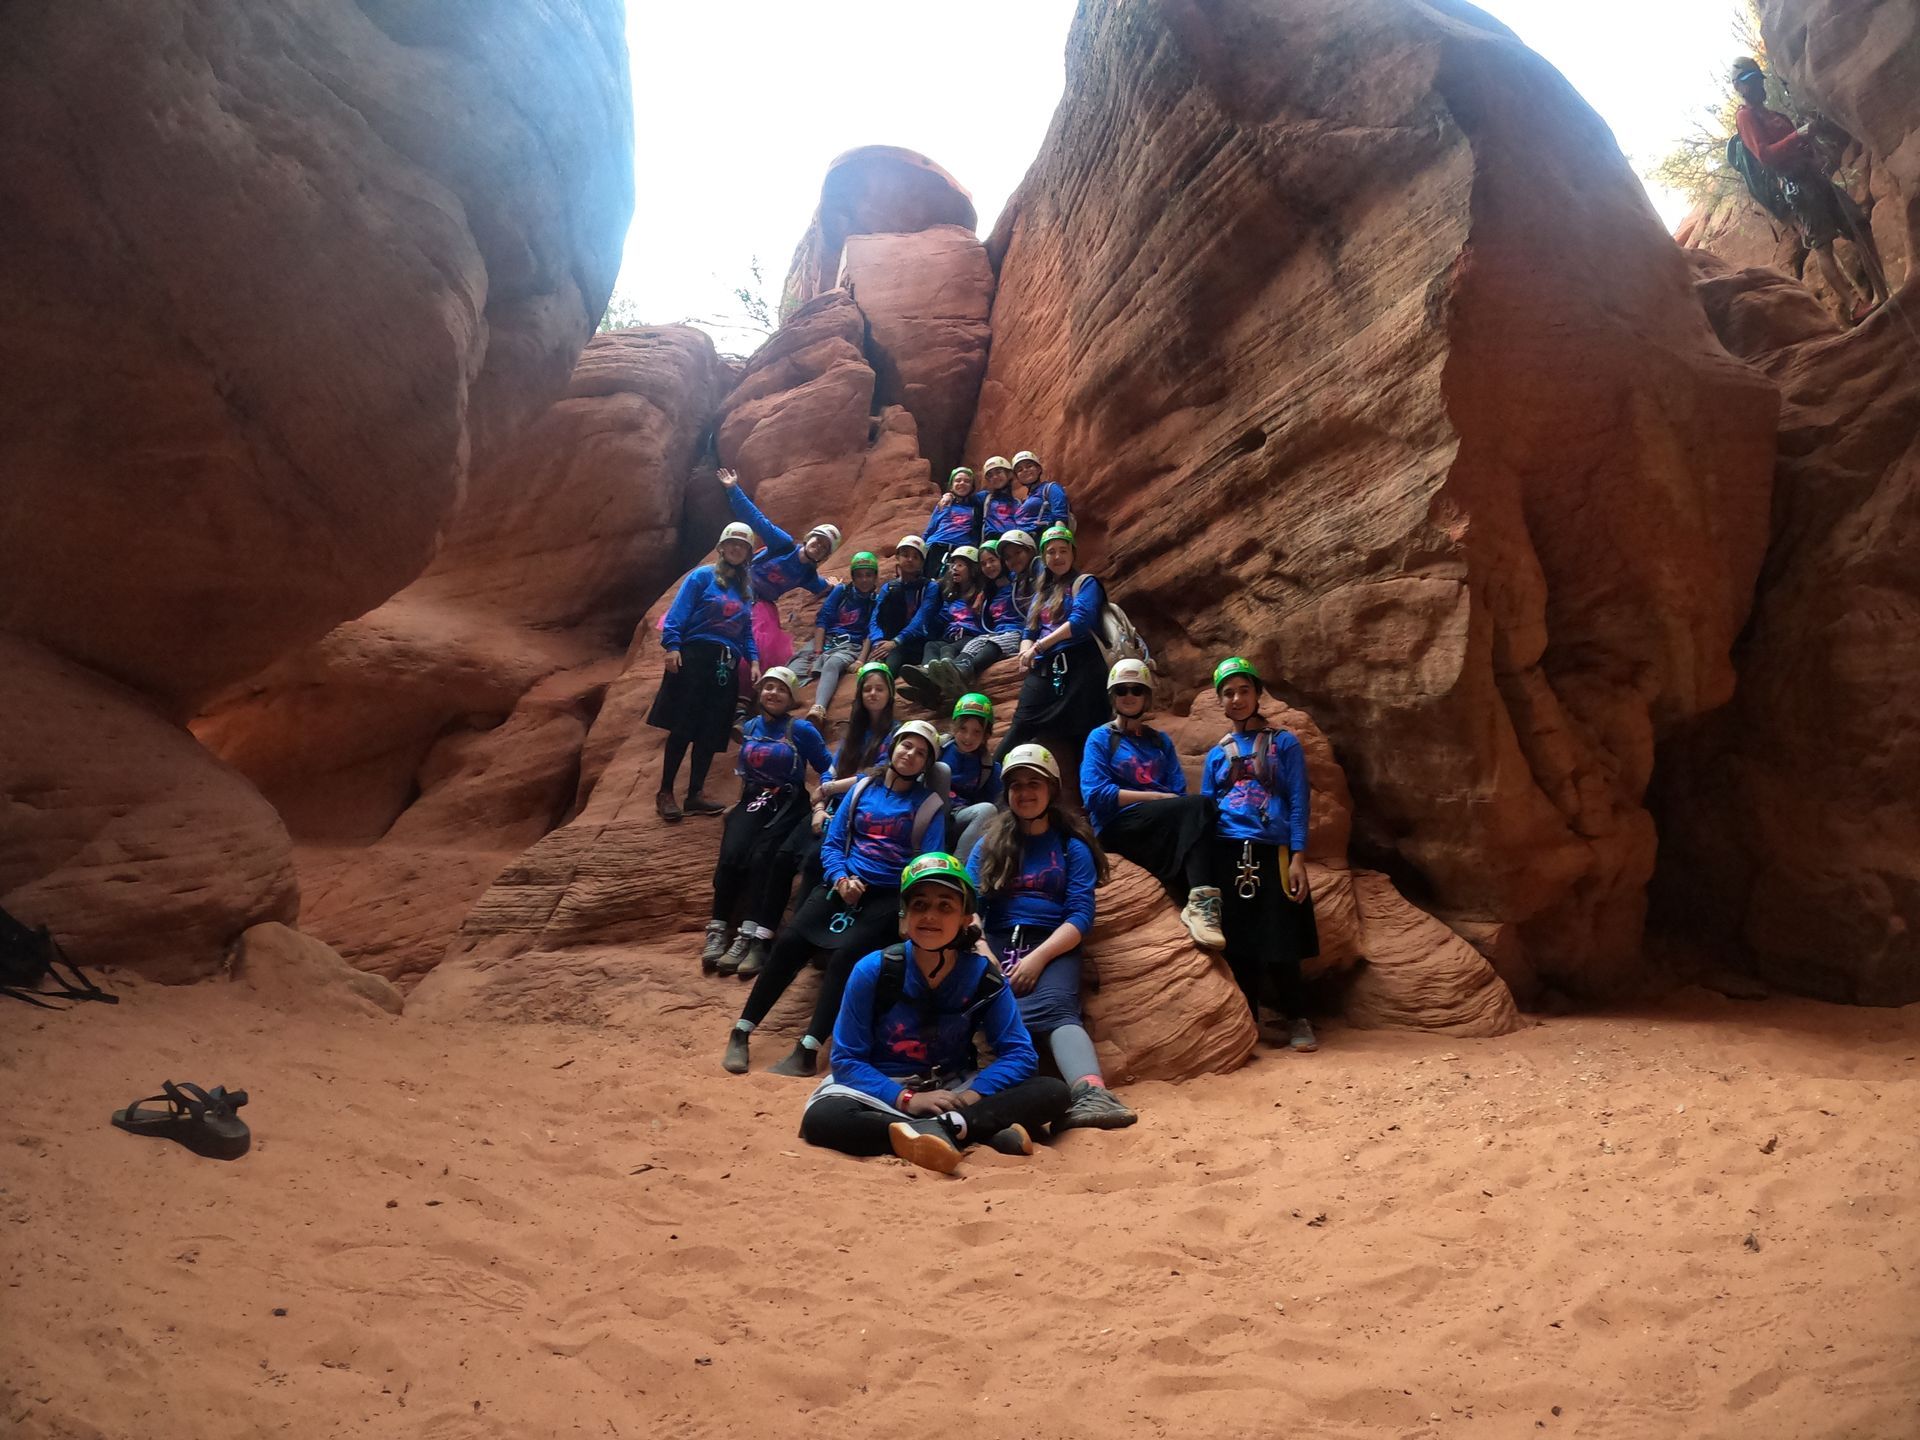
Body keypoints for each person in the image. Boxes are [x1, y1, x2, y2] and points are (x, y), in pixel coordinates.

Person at [798, 853, 1072, 1173]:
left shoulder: (984, 979)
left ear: (966, 918)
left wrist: (970, 1096)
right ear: (904, 915)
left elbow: (1020, 1055)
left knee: (1053, 1092)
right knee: (823, 1118)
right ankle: (968, 1131)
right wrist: (907, 1100)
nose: (930, 916)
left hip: (953, 1090)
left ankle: (938, 1129)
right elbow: (846, 1060)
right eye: (919, 905)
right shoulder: (873, 970)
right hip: (884, 1090)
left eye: (945, 906)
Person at [725, 721, 948, 1078]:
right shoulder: (862, 789)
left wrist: (908, 907)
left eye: (921, 752)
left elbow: (926, 863)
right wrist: (841, 878)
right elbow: (833, 842)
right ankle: (742, 1029)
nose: (911, 755)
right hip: (844, 882)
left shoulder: (929, 805)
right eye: (907, 746)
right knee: (791, 942)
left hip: (890, 894)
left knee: (847, 956)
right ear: (893, 748)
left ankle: (808, 1048)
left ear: (927, 764)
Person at [966, 744, 1135, 1130]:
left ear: (1052, 789)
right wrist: (981, 949)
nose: (1025, 792)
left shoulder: (1069, 847)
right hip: (994, 942)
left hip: (1054, 944)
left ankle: (1091, 1093)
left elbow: (1080, 915)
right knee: (984, 1012)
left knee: (1058, 1008)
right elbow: (967, 905)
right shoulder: (989, 844)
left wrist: (1038, 958)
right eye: (1016, 785)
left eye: (1034, 783)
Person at [732, 659, 901, 974]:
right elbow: (831, 770)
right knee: (782, 857)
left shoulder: (895, 733)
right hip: (832, 807)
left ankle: (802, 941)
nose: (873, 694)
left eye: (880, 689)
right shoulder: (855, 731)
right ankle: (763, 937)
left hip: (859, 811)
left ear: (890, 693)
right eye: (868, 689)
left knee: (814, 861)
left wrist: (830, 791)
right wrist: (820, 806)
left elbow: (879, 774)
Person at [1202, 657, 1321, 1053]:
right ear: (1220, 700)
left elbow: (1298, 799)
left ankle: (1298, 1018)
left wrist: (1299, 855)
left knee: (1280, 934)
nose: (1236, 699)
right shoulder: (1217, 755)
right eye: (1228, 693)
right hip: (1229, 847)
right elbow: (1206, 805)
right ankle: (1248, 1020)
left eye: (1243, 690)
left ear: (1257, 693)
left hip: (1274, 849)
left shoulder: (1283, 743)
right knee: (1239, 940)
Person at [1080, 658, 1226, 951]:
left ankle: (1201, 908)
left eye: (1136, 690)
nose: (1129, 696)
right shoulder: (1101, 738)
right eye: (1122, 690)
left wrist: (1167, 801)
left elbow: (1177, 789)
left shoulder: (1160, 742)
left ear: (1146, 696)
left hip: (1159, 825)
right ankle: (1201, 904)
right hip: (1119, 826)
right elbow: (1095, 795)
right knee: (1198, 807)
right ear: (1113, 696)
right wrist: (1157, 798)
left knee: (1206, 822)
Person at [1731, 57, 1890, 323]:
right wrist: (1799, 135)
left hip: (1813, 177)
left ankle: (1882, 294)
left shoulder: (1775, 117)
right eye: (1750, 81)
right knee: (1822, 244)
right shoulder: (1745, 117)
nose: (1758, 84)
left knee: (1860, 224)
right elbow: (1765, 155)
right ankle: (1854, 304)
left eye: (1758, 78)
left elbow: (1798, 146)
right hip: (1797, 186)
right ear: (1739, 86)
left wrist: (1812, 147)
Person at [698, 667, 833, 976]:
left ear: (791, 698)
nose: (773, 693)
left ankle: (748, 936)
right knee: (731, 856)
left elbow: (827, 767)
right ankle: (718, 930)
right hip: (754, 800)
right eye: (769, 687)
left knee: (762, 859)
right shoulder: (750, 727)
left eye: (781, 689)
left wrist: (823, 798)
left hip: (788, 802)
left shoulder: (801, 730)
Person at [651, 520, 758, 821]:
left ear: (748, 553)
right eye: (733, 543)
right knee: (683, 725)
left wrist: (755, 661)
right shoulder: (702, 576)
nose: (737, 548)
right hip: (695, 655)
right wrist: (672, 646)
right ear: (722, 547)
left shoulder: (746, 590)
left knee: (710, 730)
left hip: (726, 663)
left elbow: (747, 630)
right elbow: (678, 612)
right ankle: (665, 792)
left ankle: (695, 794)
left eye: (743, 545)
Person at [997, 525, 1111, 778]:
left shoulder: (1085, 583)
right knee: (1021, 726)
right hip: (1048, 669)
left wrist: (1039, 646)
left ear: (1073, 553)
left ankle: (1092, 804)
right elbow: (1029, 629)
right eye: (1051, 552)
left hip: (1083, 670)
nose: (1057, 557)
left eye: (1063, 550)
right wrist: (1025, 652)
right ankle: (989, 787)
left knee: (1086, 737)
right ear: (1043, 557)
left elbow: (1081, 622)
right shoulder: (1043, 592)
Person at [718, 469, 842, 693]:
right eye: (818, 540)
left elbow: (827, 589)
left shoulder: (808, 576)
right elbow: (756, 519)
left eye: (825, 547)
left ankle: (742, 695)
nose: (819, 546)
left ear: (825, 556)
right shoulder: (783, 544)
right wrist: (733, 489)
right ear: (809, 537)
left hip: (762, 605)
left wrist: (834, 586)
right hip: (739, 588)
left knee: (759, 647)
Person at [899, 535, 1029, 711]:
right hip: (989, 633)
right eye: (984, 563)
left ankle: (951, 676)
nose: (988, 566)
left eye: (993, 560)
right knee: (935, 644)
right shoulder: (981, 592)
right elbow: (944, 618)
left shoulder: (1011, 584)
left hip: (1009, 633)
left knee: (966, 646)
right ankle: (931, 680)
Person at [889, 545, 987, 709]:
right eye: (953, 565)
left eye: (960, 565)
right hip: (950, 636)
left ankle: (946, 684)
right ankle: (928, 678)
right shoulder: (951, 596)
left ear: (973, 569)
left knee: (946, 650)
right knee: (932, 645)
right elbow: (941, 616)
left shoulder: (980, 593)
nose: (954, 568)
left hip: (970, 637)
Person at [801, 550, 881, 725]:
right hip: (828, 640)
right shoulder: (841, 591)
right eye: (859, 575)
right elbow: (823, 618)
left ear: (875, 577)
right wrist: (817, 650)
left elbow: (871, 632)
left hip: (851, 645)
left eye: (868, 575)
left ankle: (819, 708)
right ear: (853, 576)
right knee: (795, 667)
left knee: (833, 663)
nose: (864, 580)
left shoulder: (876, 600)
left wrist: (860, 660)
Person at [941, 693, 1003, 861]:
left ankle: (958, 864)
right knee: (940, 771)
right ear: (954, 727)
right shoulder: (939, 748)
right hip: (931, 811)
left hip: (959, 817)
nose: (968, 737)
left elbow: (997, 807)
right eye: (963, 729)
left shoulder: (988, 766)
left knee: (988, 810)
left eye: (977, 732)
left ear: (986, 735)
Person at [867, 536, 933, 676]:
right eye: (905, 555)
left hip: (915, 642)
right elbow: (875, 618)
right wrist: (878, 642)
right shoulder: (889, 587)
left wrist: (896, 642)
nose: (910, 559)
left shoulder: (930, 587)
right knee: (872, 667)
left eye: (916, 557)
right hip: (889, 640)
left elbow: (922, 619)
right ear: (897, 557)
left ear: (922, 563)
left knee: (888, 665)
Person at [923, 467, 982, 576]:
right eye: (958, 480)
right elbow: (931, 528)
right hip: (937, 546)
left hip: (962, 550)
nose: (962, 483)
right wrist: (922, 550)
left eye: (967, 481)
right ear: (951, 485)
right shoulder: (944, 504)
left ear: (972, 486)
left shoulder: (976, 507)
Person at [1011, 451, 1071, 533]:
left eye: (1029, 466)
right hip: (1020, 540)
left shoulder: (1051, 488)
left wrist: (1058, 538)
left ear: (1039, 469)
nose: (1025, 470)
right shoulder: (1026, 499)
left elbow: (1060, 516)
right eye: (1020, 470)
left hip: (1040, 538)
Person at [977, 456, 1022, 542]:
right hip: (991, 541)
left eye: (998, 472)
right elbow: (965, 498)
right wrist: (950, 495)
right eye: (990, 475)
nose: (995, 477)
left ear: (1009, 474)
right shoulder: (985, 497)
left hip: (1013, 541)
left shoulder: (1017, 502)